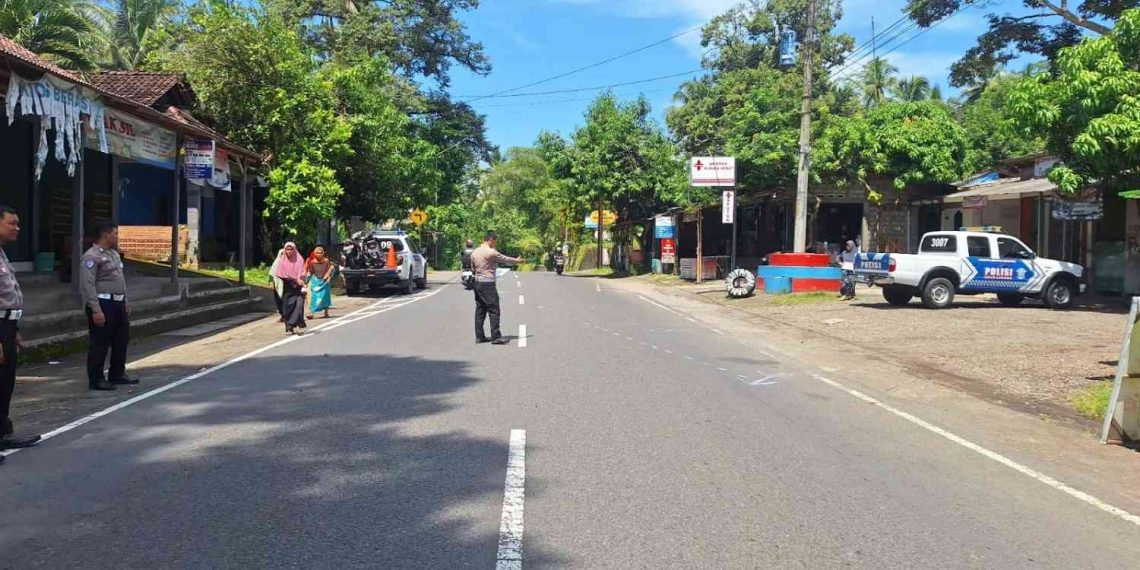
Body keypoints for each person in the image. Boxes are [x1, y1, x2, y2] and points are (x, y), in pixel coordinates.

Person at [0, 205, 41, 464]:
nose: (17, 228)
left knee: (5, 384)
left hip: (6, 327)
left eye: (18, 223)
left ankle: (3, 433)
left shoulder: (2, 254)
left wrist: (13, 331)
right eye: (12, 223)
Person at [81, 220, 137, 391]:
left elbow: (120, 280)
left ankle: (117, 373)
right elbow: (88, 285)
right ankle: (96, 378)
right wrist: (96, 309)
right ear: (105, 235)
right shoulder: (91, 256)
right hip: (103, 302)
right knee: (100, 342)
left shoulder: (113, 254)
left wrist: (125, 301)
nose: (117, 236)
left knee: (121, 339)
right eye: (115, 233)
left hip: (118, 303)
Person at [471, 231, 522, 345]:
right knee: (494, 309)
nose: (495, 244)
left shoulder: (475, 252)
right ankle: (496, 336)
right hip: (487, 283)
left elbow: (472, 268)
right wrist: (517, 261)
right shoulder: (490, 252)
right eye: (495, 241)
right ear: (491, 239)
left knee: (480, 309)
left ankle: (479, 336)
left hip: (477, 283)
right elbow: (504, 259)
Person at [275, 242, 307, 335]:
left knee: (299, 306)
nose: (289, 251)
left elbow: (302, 272)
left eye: (291, 249)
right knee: (288, 307)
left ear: (294, 250)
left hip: (298, 287)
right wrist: (292, 279)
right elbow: (281, 274)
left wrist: (299, 279)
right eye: (287, 249)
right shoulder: (282, 261)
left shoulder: (299, 259)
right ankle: (290, 327)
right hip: (288, 287)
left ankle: (299, 325)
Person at [306, 246, 335, 319]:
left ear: (323, 253)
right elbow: (310, 271)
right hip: (315, 281)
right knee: (314, 297)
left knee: (325, 297)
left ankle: (326, 312)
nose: (319, 254)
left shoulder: (326, 261)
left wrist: (329, 277)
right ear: (315, 253)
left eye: (320, 253)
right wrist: (307, 279)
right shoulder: (312, 262)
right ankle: (312, 313)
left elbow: (331, 270)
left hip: (324, 281)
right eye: (317, 253)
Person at [268, 247, 286, 321]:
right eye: (282, 254)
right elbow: (271, 274)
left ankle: (287, 315)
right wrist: (271, 282)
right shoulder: (276, 263)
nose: (283, 255)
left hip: (287, 285)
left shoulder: (291, 263)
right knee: (279, 300)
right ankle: (282, 315)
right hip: (277, 285)